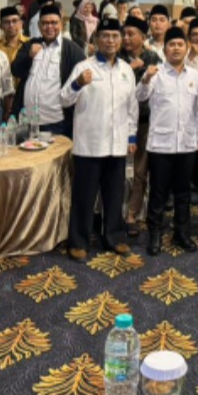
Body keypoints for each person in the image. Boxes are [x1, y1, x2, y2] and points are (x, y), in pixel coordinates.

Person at [59, 17, 138, 262]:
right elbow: (63, 99)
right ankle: (78, 241)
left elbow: (132, 107)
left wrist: (132, 135)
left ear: (120, 40)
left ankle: (114, 236)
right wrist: (77, 83)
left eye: (115, 36)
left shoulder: (126, 70)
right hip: (90, 144)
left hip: (117, 143)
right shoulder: (84, 67)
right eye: (105, 36)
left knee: (114, 195)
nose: (110, 41)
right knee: (84, 196)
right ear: (96, 39)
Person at [137, 26, 198, 256]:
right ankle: (155, 234)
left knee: (183, 193)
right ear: (164, 49)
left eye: (180, 44)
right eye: (171, 45)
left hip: (186, 143)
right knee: (158, 193)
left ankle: (181, 233)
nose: (176, 48)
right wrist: (145, 78)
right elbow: (140, 96)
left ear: (187, 48)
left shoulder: (195, 75)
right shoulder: (155, 73)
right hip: (160, 145)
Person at [12, 5, 85, 137]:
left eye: (54, 23)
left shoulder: (72, 50)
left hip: (57, 122)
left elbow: (81, 84)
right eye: (45, 23)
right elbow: (16, 70)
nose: (49, 27)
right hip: (27, 121)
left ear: (61, 24)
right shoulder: (30, 45)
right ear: (39, 26)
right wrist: (29, 56)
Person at [118, 15, 162, 237]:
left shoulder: (153, 58)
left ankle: (132, 214)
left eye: (131, 34)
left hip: (145, 121)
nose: (126, 38)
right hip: (118, 120)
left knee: (140, 170)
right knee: (115, 168)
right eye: (124, 34)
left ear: (143, 37)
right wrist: (129, 68)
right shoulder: (116, 56)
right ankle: (110, 211)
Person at [0, 6, 29, 89]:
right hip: (1, 91)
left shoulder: (30, 44)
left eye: (14, 21)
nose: (11, 25)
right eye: (6, 22)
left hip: (25, 91)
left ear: (21, 23)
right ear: (0, 26)